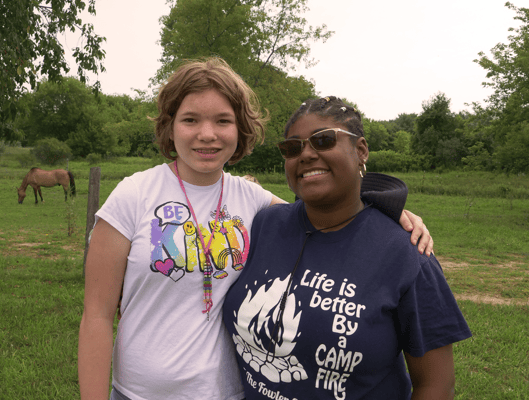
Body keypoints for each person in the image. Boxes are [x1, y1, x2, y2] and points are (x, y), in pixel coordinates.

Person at [78, 58, 432, 400]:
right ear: (170, 127)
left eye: (222, 121)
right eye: (190, 120)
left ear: (240, 128)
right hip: (137, 394)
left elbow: (328, 207)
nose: (207, 134)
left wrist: (387, 208)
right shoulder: (133, 195)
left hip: (229, 393)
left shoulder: (253, 201)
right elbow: (97, 315)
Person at [223, 96, 472, 400]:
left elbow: (435, 385)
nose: (306, 154)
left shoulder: (405, 253)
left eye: (323, 140)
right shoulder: (265, 225)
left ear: (361, 150)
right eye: (293, 147)